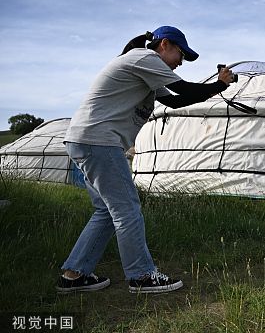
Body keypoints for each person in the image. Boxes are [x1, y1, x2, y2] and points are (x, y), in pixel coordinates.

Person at [56, 26, 234, 294]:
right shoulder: (144, 59)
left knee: (107, 211)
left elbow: (175, 102)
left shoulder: (146, 71)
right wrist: (220, 84)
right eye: (180, 54)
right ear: (164, 44)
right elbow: (185, 89)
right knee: (127, 209)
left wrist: (215, 88)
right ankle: (141, 276)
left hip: (87, 140)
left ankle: (74, 275)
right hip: (99, 141)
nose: (180, 62)